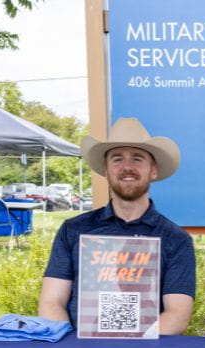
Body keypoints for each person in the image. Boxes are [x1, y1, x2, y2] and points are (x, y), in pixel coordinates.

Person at [39, 118, 195, 334]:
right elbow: (51, 302)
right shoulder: (73, 230)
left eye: (137, 159)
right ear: (106, 170)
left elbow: (177, 316)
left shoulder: (176, 239)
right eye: (117, 159)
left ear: (153, 171)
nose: (127, 167)